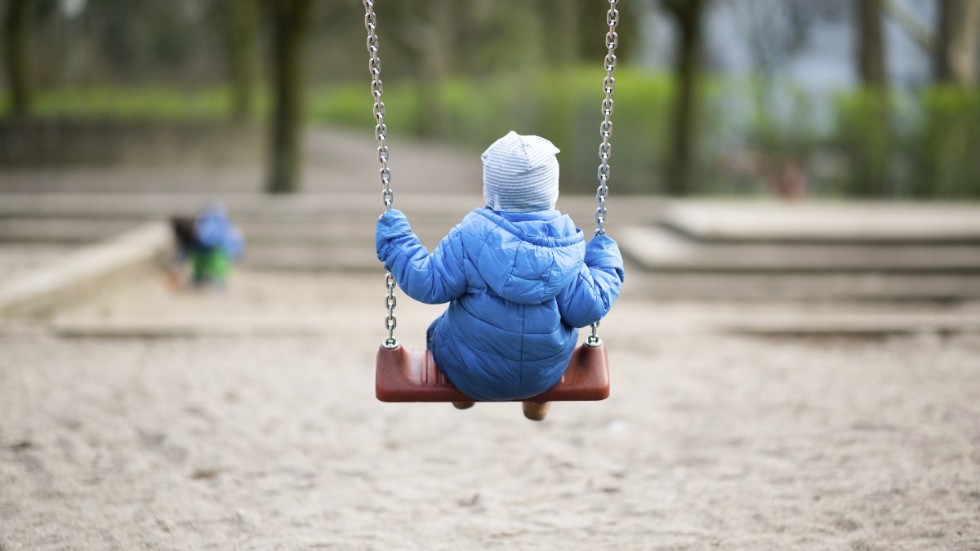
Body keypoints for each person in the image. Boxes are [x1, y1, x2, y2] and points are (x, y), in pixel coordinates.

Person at [375, 131, 625, 420]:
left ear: (491, 192)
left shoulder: (470, 237)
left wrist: (396, 240)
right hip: (544, 373)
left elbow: (426, 282)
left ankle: (463, 393)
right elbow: (589, 306)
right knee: (550, 341)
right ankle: (537, 399)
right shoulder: (565, 247)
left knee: (440, 330)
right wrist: (604, 257)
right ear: (552, 194)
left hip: (467, 369)